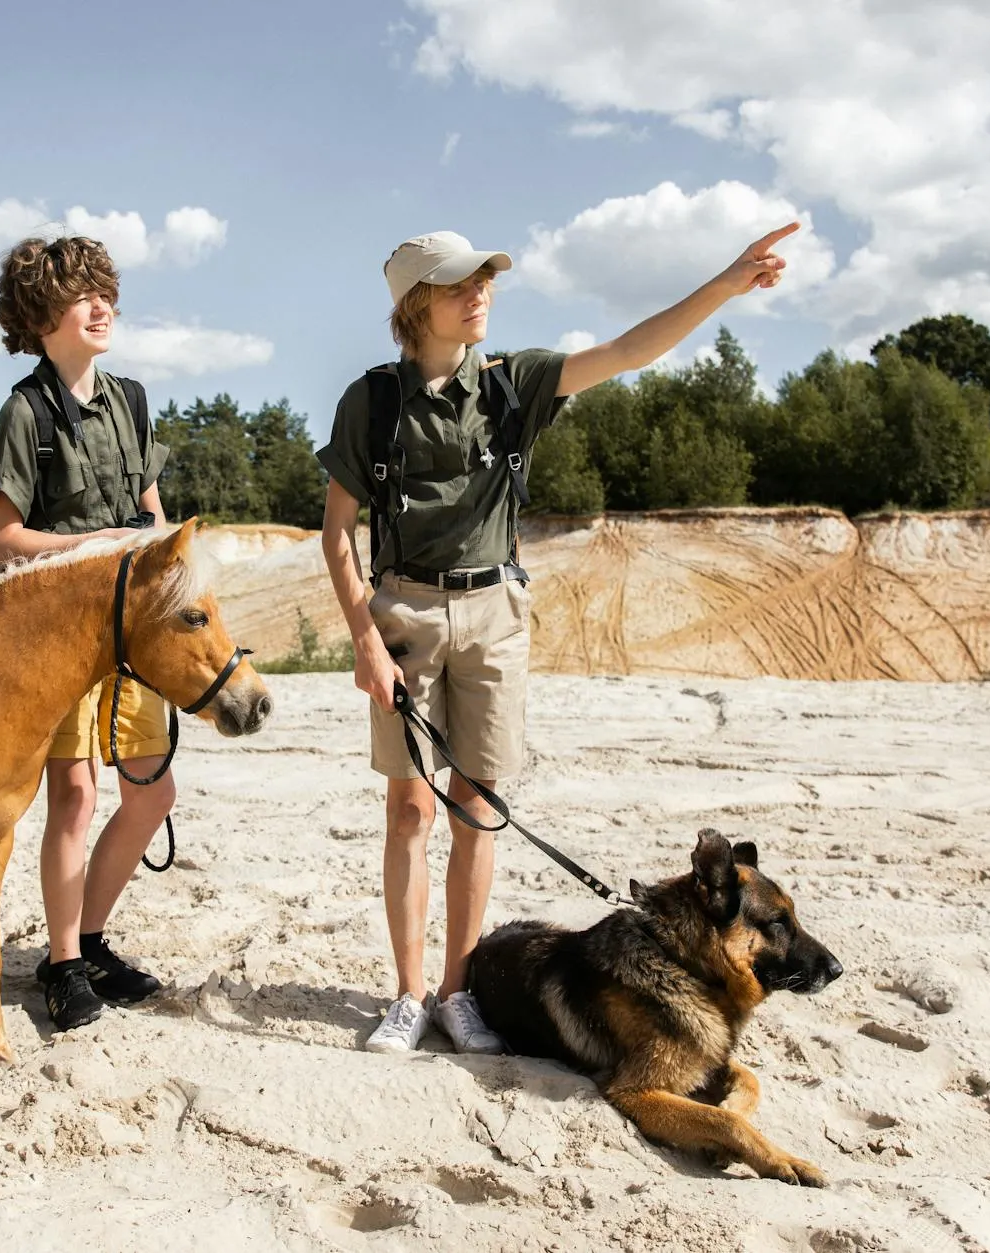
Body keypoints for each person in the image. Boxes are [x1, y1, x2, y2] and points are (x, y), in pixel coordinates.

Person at [316, 224, 799, 1054]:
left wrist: (723, 284)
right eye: (461, 283)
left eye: (485, 280)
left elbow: (626, 350)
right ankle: (406, 995)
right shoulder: (373, 401)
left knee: (477, 807)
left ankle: (457, 993)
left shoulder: (517, 383)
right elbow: (334, 533)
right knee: (408, 810)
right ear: (414, 303)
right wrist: (364, 641)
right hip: (403, 615)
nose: (481, 293)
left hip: (497, 613)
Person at [0, 235, 174, 1032]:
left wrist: (151, 544)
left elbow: (153, 507)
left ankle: (90, 939)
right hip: (55, 638)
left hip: (132, 631)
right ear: (40, 317)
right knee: (76, 797)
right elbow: (0, 537)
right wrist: (87, 548)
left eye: (105, 292)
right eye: (81, 295)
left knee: (152, 791)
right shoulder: (24, 411)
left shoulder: (129, 398)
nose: (102, 307)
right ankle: (60, 963)